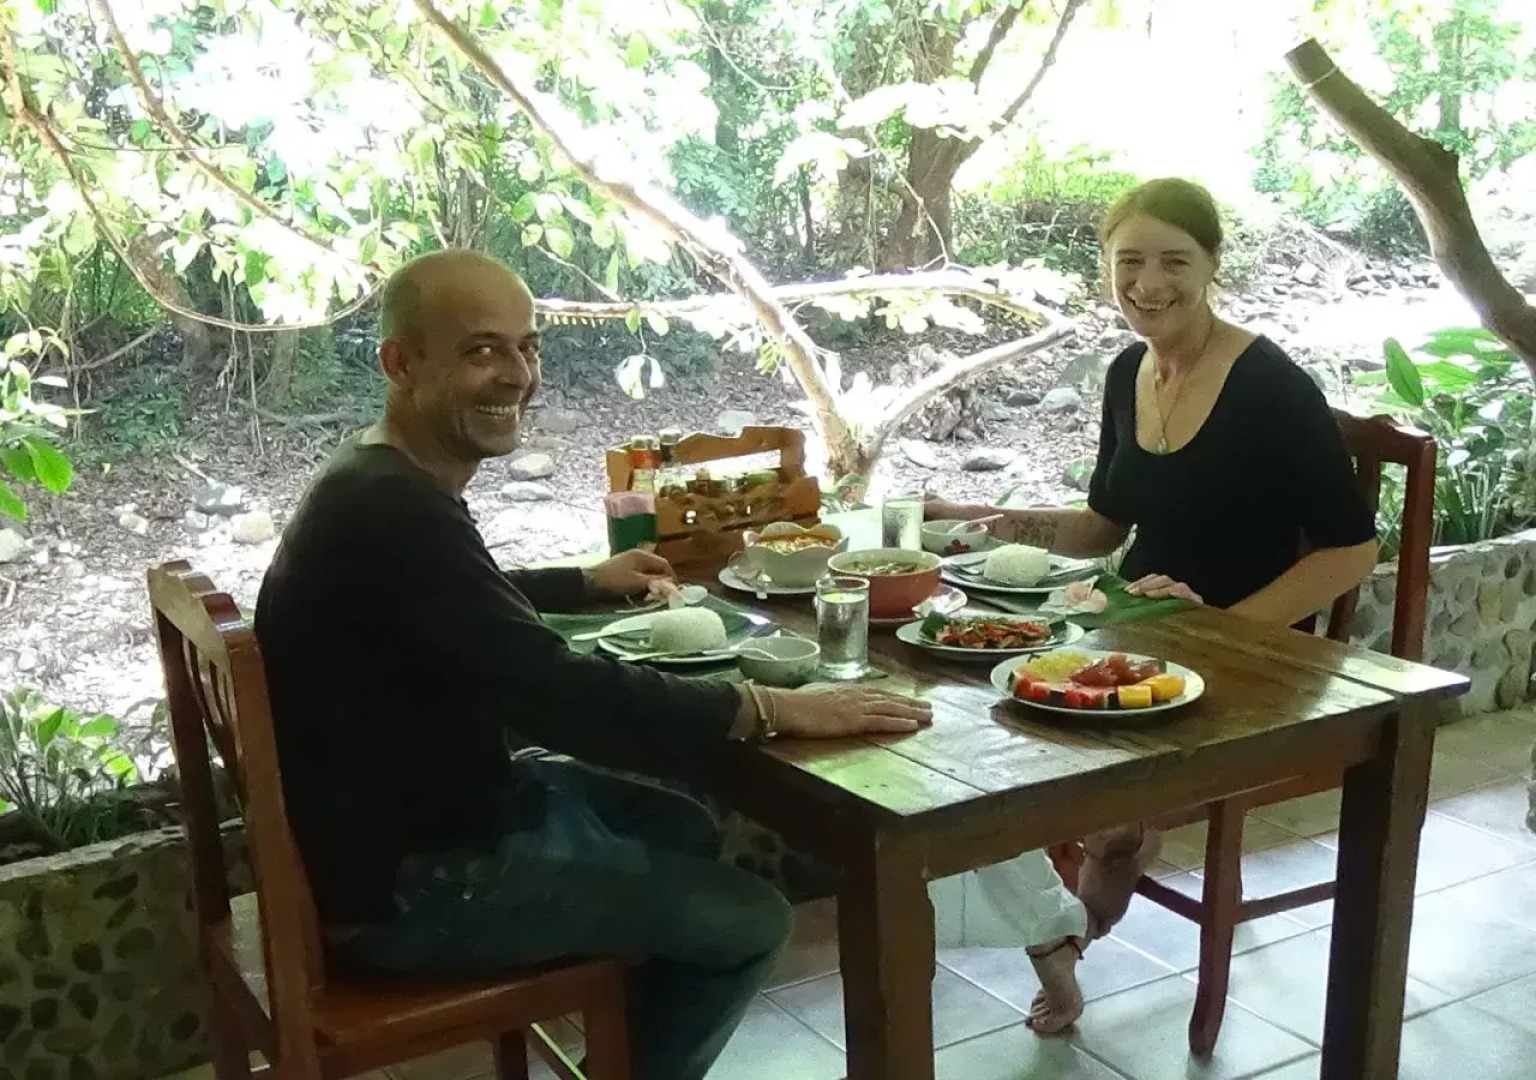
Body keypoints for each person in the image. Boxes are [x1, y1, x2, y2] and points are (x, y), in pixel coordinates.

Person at [254, 249, 933, 1080]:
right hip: (415, 881)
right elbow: (558, 696)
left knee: (687, 825)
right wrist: (767, 707)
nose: (516, 375)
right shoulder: (395, 509)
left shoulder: (372, 480)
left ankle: (625, 1044)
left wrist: (583, 580)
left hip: (404, 830)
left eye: (527, 347)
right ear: (400, 362)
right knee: (750, 923)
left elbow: (456, 603)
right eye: (481, 350)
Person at [928, 177, 1378, 954]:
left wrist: (1220, 630)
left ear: (1210, 266)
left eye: (1174, 261)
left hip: (1254, 658)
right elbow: (1103, 529)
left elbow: (1354, 549)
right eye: (1129, 261)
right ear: (1105, 267)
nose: (1148, 283)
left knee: (1087, 788)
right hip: (1139, 629)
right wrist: (972, 523)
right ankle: (1075, 910)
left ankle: (1081, 913)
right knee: (974, 729)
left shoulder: (1271, 387)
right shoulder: (1124, 375)